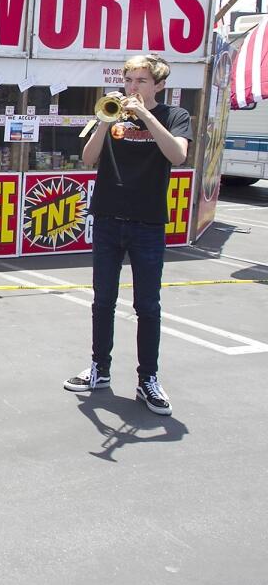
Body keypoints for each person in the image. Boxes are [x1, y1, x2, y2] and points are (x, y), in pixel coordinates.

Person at [63, 54, 192, 415]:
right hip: (107, 218)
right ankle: (99, 369)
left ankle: (147, 379)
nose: (132, 88)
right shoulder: (111, 112)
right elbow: (89, 158)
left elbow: (177, 156)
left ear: (159, 85)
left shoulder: (174, 117)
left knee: (147, 306)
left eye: (141, 81)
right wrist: (105, 120)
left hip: (147, 223)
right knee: (102, 300)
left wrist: (146, 115)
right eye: (129, 80)